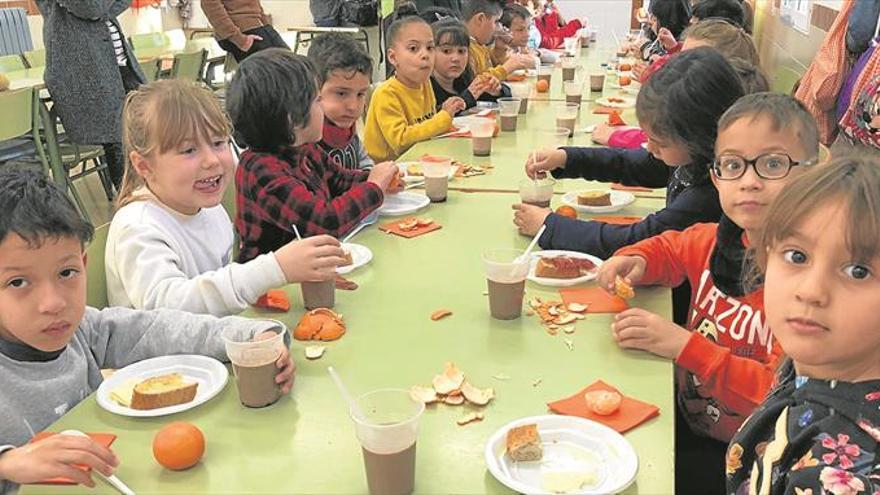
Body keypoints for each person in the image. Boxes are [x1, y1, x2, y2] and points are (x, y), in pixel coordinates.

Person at [0, 168, 294, 494]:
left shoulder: (84, 328)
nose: (53, 303)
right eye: (18, 282)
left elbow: (158, 329)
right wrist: (7, 463)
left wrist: (251, 337)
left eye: (66, 273)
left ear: (83, 265)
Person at [597, 93, 821, 494]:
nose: (749, 181)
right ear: (716, 177)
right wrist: (636, 260)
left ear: (811, 173)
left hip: (755, 463)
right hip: (693, 428)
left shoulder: (813, 283)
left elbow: (781, 396)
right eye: (733, 166)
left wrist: (684, 345)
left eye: (773, 164)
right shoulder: (719, 241)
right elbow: (671, 247)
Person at [516, 48, 740, 324]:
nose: (650, 147)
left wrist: (549, 227)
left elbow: (637, 240)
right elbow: (635, 163)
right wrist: (567, 158)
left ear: (701, 136)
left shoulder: (713, 193)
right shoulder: (699, 157)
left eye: (660, 142)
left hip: (682, 310)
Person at [105, 80, 345, 316]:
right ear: (144, 166)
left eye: (218, 143)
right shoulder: (137, 227)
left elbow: (219, 282)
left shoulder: (208, 208)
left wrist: (286, 276)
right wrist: (274, 269)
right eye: (189, 150)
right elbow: (168, 308)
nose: (211, 160)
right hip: (168, 355)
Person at [726, 156, 880, 495]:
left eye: (858, 271)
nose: (811, 291)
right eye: (797, 256)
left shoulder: (835, 474)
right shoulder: (821, 364)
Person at [227, 49, 400, 259]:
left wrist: (381, 179)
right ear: (292, 117)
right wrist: (373, 188)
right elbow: (324, 223)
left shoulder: (304, 149)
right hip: (274, 285)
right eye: (317, 100)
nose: (323, 108)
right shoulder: (260, 169)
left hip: (309, 268)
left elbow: (340, 179)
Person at [34, 0, 147, 190]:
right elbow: (89, 7)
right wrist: (100, 8)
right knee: (117, 139)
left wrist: (100, 8)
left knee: (146, 128)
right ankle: (132, 202)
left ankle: (152, 196)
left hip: (118, 62)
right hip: (86, 69)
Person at [364, 13, 466, 161]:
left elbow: (425, 124)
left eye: (430, 47)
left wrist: (443, 110)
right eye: (413, 48)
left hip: (419, 161)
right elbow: (401, 141)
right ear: (393, 57)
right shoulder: (386, 94)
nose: (425, 55)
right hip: (390, 170)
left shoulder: (425, 83)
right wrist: (442, 119)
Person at [308, 33, 376, 170]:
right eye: (341, 93)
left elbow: (362, 159)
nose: (353, 106)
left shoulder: (347, 125)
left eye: (360, 94)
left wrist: (371, 174)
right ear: (314, 88)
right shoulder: (307, 137)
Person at [430, 18, 502, 113]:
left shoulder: (464, 79)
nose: (456, 58)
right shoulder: (424, 87)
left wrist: (496, 91)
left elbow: (494, 101)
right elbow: (432, 117)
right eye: (446, 51)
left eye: (461, 51)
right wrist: (468, 96)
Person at [462, 0, 533, 82]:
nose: (498, 28)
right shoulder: (463, 48)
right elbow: (475, 84)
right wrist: (506, 68)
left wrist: (500, 49)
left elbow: (489, 70)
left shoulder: (480, 45)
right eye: (496, 22)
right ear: (480, 19)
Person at [201, 0, 290, 62]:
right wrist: (239, 39)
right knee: (274, 70)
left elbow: (256, 7)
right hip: (240, 31)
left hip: (260, 27)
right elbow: (211, 7)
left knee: (294, 63)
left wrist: (267, 25)